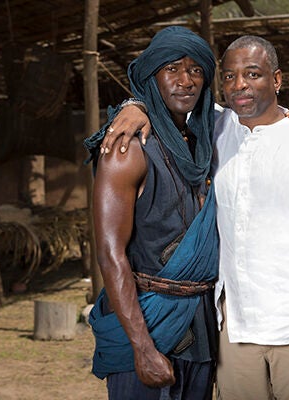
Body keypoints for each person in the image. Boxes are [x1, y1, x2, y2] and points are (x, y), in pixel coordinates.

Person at [102, 35, 289, 399]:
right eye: (229, 76)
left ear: (276, 79)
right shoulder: (216, 130)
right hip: (234, 331)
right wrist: (135, 105)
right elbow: (170, 100)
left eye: (253, 74)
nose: (240, 84)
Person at [83, 26, 220, 400]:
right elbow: (110, 254)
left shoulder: (204, 143)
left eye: (195, 70)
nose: (185, 81)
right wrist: (142, 348)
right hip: (148, 324)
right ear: (152, 76)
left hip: (200, 327)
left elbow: (256, 112)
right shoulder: (127, 148)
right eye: (172, 69)